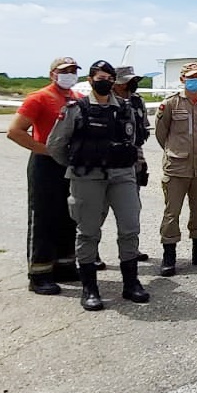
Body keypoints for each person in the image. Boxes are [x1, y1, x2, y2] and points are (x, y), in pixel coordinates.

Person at [47, 60, 149, 310]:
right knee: (89, 231)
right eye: (100, 77)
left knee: (130, 227)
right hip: (87, 177)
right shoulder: (76, 109)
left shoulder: (126, 108)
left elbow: (134, 140)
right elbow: (55, 146)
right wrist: (79, 165)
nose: (104, 81)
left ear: (114, 81)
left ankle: (131, 282)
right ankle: (90, 287)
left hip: (122, 176)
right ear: (91, 80)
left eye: (109, 78)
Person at [7, 57, 83, 294]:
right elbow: (15, 131)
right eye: (64, 71)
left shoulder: (77, 98)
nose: (69, 74)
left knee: (69, 215)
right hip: (46, 164)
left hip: (70, 164)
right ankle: (39, 273)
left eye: (73, 71)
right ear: (52, 74)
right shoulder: (38, 98)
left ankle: (65, 265)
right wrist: (47, 150)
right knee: (44, 217)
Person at [154, 62, 197, 276]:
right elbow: (161, 134)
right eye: (191, 76)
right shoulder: (171, 103)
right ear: (182, 79)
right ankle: (169, 255)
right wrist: (176, 151)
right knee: (172, 212)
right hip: (177, 167)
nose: (195, 79)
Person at [112, 66, 151, 263]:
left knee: (131, 208)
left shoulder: (137, 101)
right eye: (127, 81)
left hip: (132, 159)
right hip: (107, 162)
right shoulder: (106, 100)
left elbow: (142, 132)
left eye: (132, 80)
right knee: (98, 211)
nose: (131, 84)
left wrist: (141, 162)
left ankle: (131, 250)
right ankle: (91, 256)